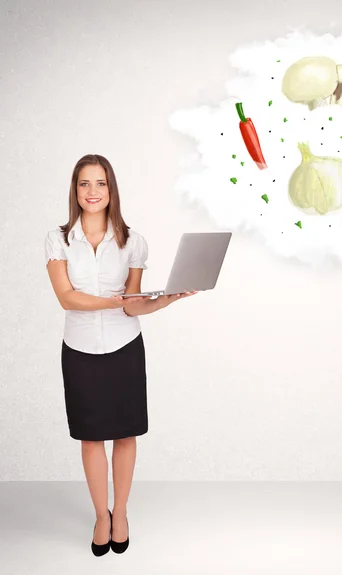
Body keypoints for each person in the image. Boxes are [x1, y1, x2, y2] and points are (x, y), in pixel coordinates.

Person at [45, 154, 197, 557]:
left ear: (112, 190)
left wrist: (166, 299)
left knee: (126, 433)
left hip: (124, 347)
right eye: (84, 184)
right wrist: (111, 301)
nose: (92, 192)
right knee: (91, 438)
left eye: (100, 183)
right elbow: (66, 298)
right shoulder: (58, 240)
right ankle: (100, 515)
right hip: (79, 350)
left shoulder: (133, 241)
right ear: (74, 191)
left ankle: (122, 512)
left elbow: (132, 306)